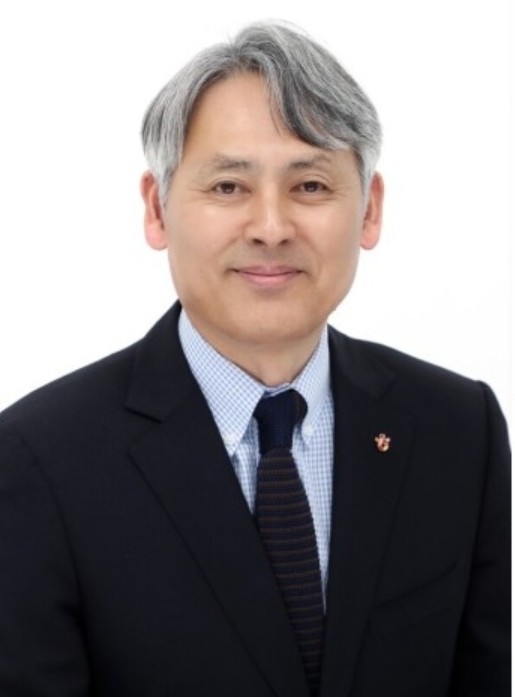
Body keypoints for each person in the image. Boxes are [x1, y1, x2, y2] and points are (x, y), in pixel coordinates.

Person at [0, 21, 509, 697]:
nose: (271, 227)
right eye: (228, 187)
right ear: (157, 209)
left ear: (369, 210)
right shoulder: (37, 461)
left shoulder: (458, 429)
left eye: (310, 186)